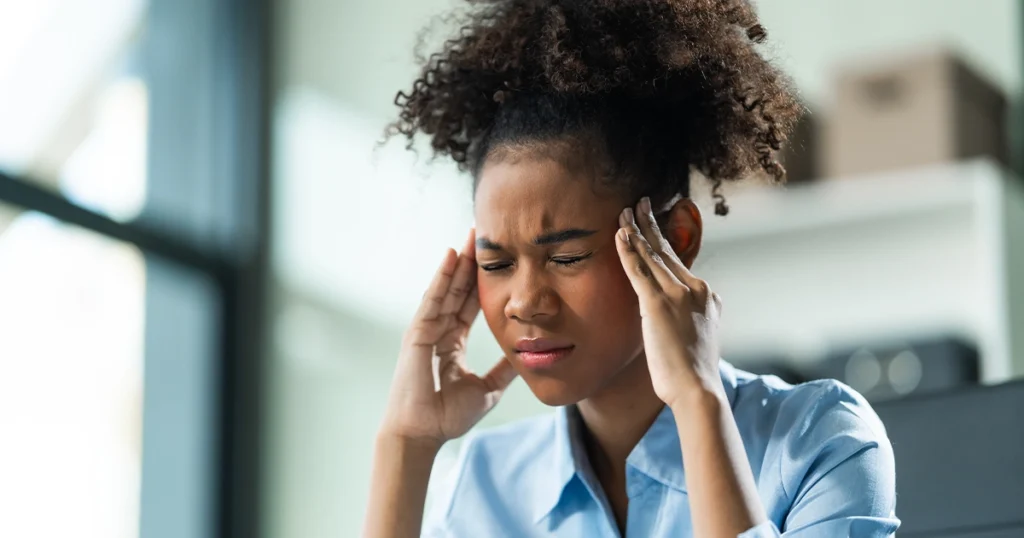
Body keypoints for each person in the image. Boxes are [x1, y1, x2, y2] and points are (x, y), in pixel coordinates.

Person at [364, 1, 899, 536]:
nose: (524, 302)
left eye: (566, 257)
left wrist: (696, 398)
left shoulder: (819, 442)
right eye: (496, 262)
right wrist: (406, 444)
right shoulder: (487, 480)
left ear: (676, 239)